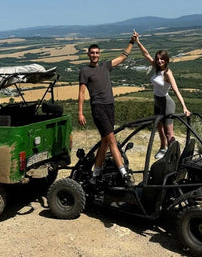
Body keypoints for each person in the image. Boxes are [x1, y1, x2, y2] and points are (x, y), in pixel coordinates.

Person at [78, 34, 137, 185]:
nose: (95, 55)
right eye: (92, 53)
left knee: (104, 141)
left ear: (99, 54)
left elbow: (123, 56)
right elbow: (81, 93)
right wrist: (80, 112)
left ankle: (95, 174)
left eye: (97, 53)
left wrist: (132, 42)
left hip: (110, 105)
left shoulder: (105, 66)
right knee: (112, 140)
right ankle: (124, 174)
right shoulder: (85, 71)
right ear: (88, 54)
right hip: (97, 107)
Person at [134, 31, 191, 159]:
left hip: (166, 102)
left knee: (169, 132)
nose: (159, 61)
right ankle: (163, 148)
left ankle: (174, 154)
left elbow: (176, 90)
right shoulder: (156, 68)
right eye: (158, 58)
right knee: (159, 127)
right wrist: (138, 42)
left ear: (166, 60)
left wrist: (184, 107)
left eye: (162, 59)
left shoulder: (167, 73)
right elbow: (146, 54)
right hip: (157, 101)